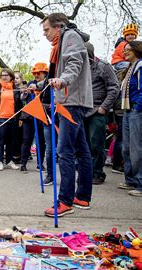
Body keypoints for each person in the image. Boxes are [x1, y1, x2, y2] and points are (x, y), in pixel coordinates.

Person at [41, 13, 93, 217]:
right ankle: (82, 197)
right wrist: (41, 85)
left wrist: (63, 80)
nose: (45, 34)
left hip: (71, 101)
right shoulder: (60, 42)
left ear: (58, 26)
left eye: (46, 30)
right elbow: (57, 72)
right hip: (70, 100)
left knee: (64, 151)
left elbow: (74, 64)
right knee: (81, 150)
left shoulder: (70, 37)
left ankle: (65, 201)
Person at [84, 42, 119, 185]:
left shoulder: (103, 66)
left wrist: (104, 107)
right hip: (82, 111)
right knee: (84, 144)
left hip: (97, 110)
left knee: (96, 143)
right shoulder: (78, 67)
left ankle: (98, 173)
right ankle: (87, 172)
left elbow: (114, 87)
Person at [119, 41, 142, 197]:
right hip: (127, 110)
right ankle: (131, 180)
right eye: (124, 50)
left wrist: (138, 107)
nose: (125, 52)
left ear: (136, 50)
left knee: (136, 148)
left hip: (136, 109)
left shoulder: (140, 66)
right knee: (126, 147)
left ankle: (140, 183)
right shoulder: (129, 68)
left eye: (128, 50)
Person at [0, 68, 22, 171]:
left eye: (6, 75)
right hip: (1, 118)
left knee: (11, 141)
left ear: (11, 76)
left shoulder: (16, 87)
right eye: (2, 75)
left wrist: (20, 117)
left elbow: (19, 104)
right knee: (1, 140)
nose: (4, 77)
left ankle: (9, 160)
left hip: (13, 118)